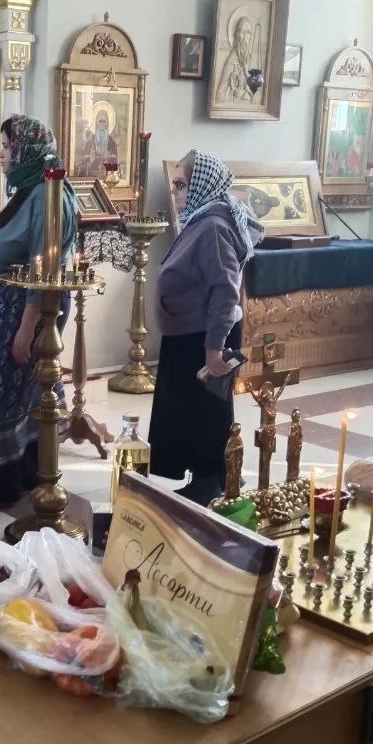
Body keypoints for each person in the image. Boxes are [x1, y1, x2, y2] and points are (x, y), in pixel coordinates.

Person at [0, 115, 77, 507]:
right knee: (16, 395)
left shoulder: (51, 197)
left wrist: (27, 330)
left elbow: (43, 270)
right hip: (1, 313)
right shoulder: (30, 192)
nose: (1, 154)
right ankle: (25, 472)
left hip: (19, 315)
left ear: (27, 150)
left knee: (2, 397)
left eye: (7, 147)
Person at [150, 151, 264, 505]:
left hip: (203, 337)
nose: (175, 193)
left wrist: (214, 349)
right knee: (189, 408)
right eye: (175, 185)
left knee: (206, 410)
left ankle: (211, 480)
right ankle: (210, 475)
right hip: (189, 334)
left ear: (201, 185)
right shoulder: (202, 218)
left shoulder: (213, 226)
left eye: (181, 185)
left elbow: (225, 290)